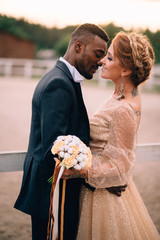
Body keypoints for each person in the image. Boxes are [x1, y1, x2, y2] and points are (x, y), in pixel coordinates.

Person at [14, 23, 126, 240]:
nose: (102, 61)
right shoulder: (58, 84)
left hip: (57, 191)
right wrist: (100, 178)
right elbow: (55, 152)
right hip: (54, 195)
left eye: (104, 55)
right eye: (98, 53)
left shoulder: (64, 79)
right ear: (78, 46)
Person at [76, 31, 160, 240]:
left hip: (103, 198)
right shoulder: (122, 95)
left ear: (127, 69)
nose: (103, 60)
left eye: (110, 57)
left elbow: (121, 165)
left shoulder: (123, 108)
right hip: (98, 188)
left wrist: (80, 171)